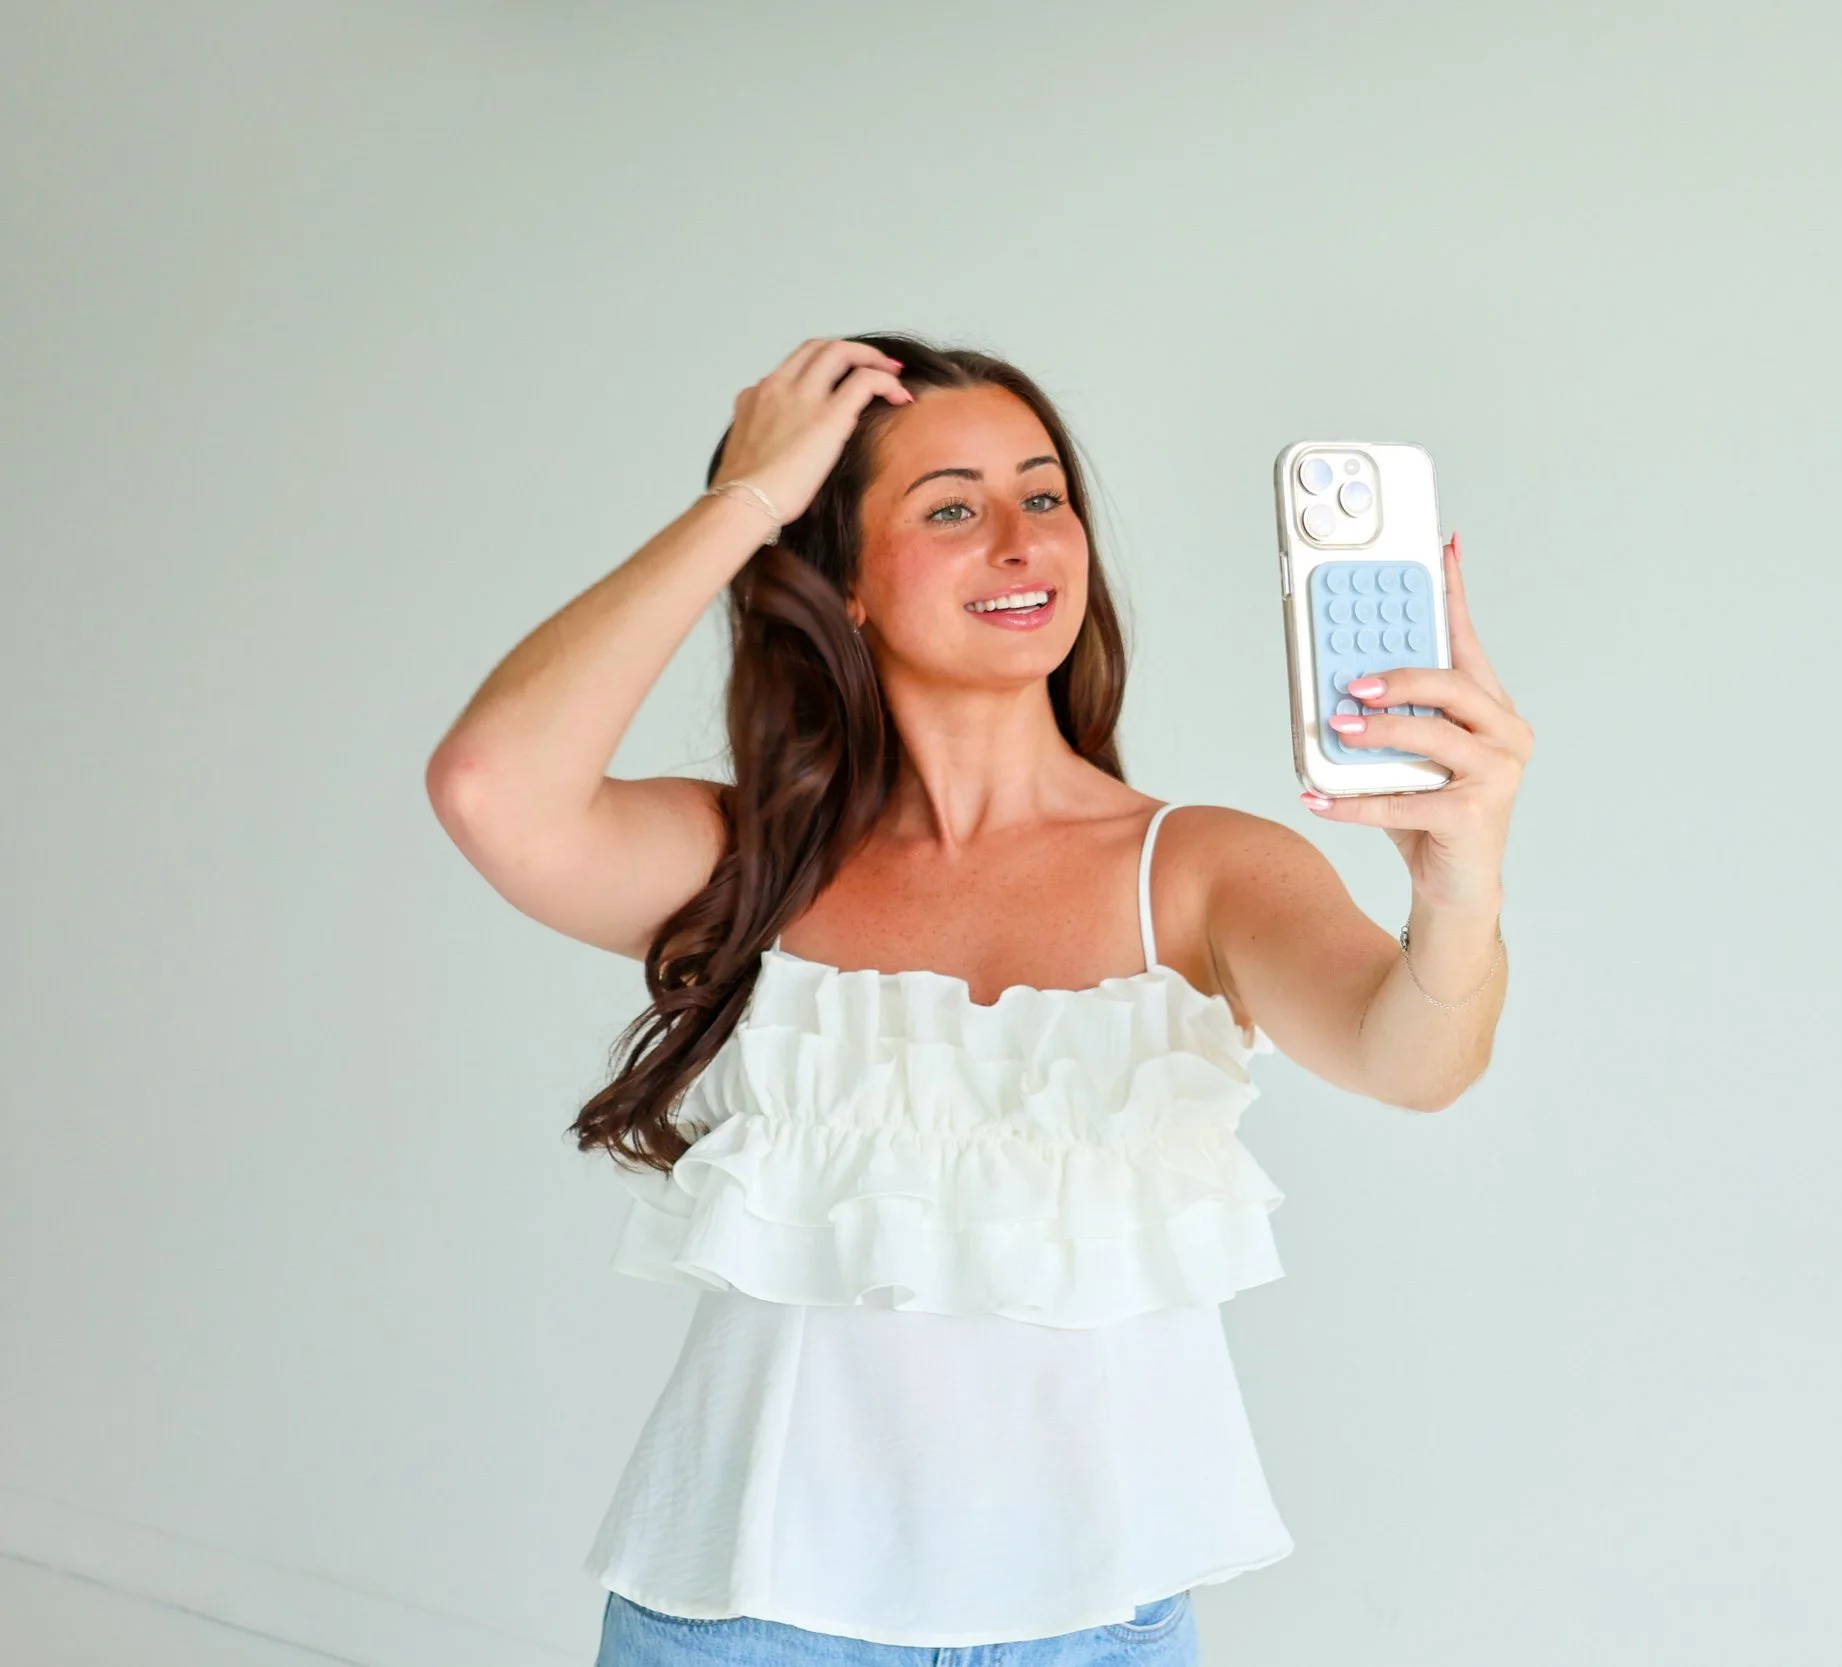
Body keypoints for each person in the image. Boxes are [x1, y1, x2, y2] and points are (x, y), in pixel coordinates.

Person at [424, 334, 1533, 1664]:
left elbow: (1415, 1060)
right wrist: (746, 502)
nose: (1023, 540)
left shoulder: (1200, 870)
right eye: (951, 508)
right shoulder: (752, 864)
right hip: (743, 1620)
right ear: (843, 581)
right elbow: (490, 786)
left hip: (1097, 1631)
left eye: (1044, 494)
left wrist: (1461, 885)